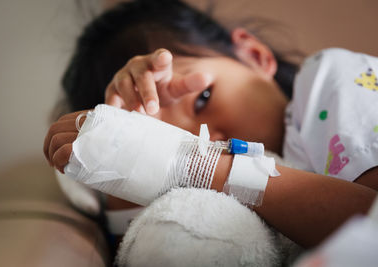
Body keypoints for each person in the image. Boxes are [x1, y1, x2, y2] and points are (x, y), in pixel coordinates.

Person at [43, 0, 377, 252]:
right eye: (175, 140)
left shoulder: (328, 80)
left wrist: (198, 165)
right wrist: (119, 152)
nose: (211, 142)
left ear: (254, 54)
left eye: (202, 98)